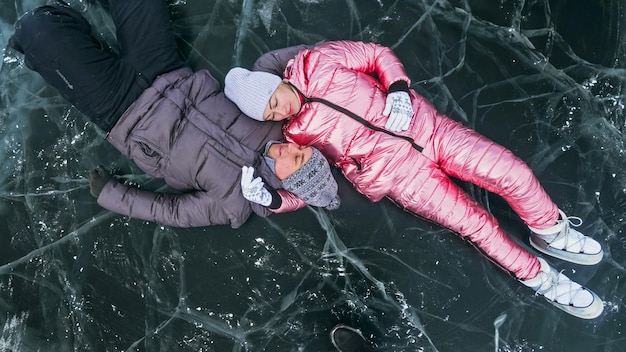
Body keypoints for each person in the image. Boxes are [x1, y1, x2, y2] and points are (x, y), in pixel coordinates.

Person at [223, 41, 605, 319]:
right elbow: (312, 191)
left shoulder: (317, 61)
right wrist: (273, 201)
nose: (280, 109)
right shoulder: (296, 136)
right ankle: (543, 280)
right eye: (270, 112)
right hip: (402, 177)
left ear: (272, 83)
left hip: (429, 128)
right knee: (476, 224)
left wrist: (398, 89)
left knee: (512, 171)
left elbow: (376, 54)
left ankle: (549, 231)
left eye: (273, 99)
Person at [9, 0, 339, 229]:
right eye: (301, 149)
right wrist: (319, 56)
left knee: (38, 30)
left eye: (294, 159)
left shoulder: (232, 203)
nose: (291, 146)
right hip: (165, 67)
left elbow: (171, 211)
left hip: (122, 110)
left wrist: (113, 194)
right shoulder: (277, 128)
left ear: (288, 181)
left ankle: (61, 21)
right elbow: (269, 68)